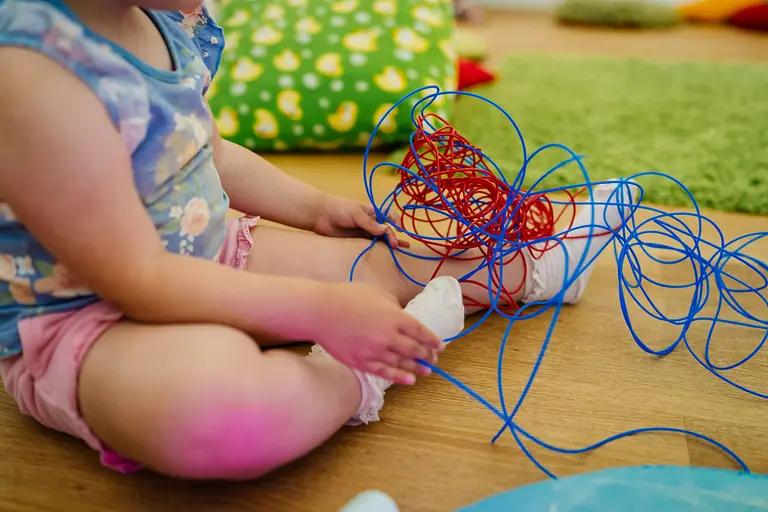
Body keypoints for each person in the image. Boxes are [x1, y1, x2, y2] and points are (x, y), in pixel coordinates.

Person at [0, 0, 633, 480]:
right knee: (215, 416)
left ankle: (526, 264)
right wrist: (317, 310)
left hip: (210, 252)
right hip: (86, 323)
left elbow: (205, 150)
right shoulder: (32, 74)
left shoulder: (160, 20)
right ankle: (348, 379)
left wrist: (316, 208)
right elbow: (135, 278)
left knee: (396, 252)